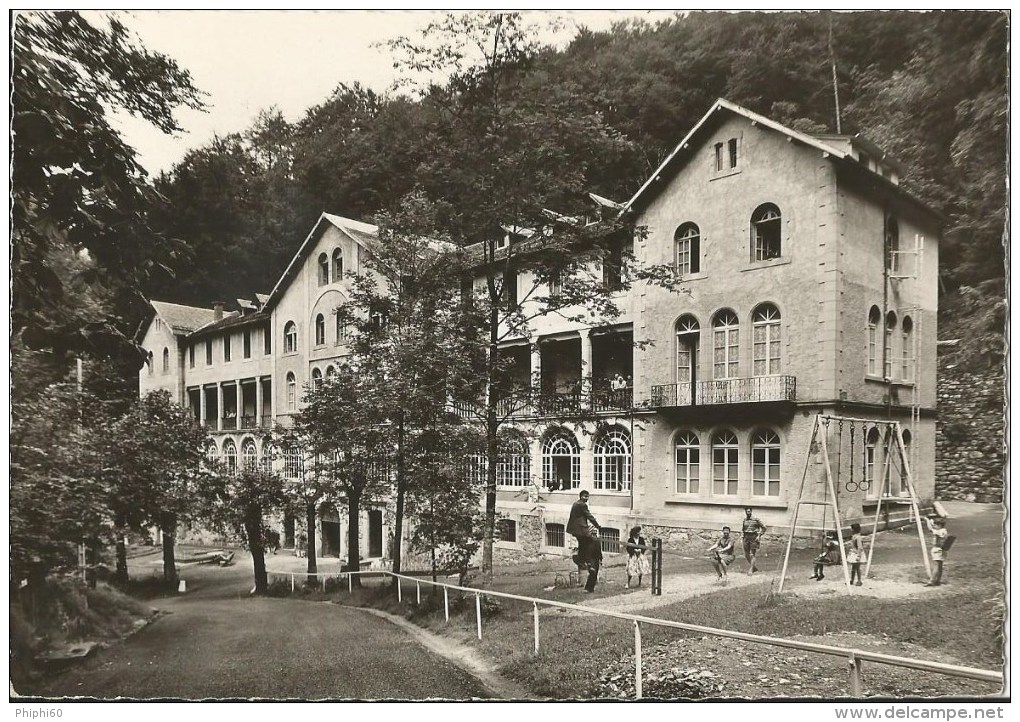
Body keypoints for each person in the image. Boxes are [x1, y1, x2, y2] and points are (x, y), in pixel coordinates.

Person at [567, 490, 602, 592]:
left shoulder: (575, 504)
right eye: (585, 496)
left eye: (588, 497)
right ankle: (583, 560)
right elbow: (589, 516)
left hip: (575, 530)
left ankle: (582, 560)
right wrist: (597, 525)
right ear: (581, 496)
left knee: (583, 545)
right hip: (581, 529)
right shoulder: (582, 505)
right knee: (588, 543)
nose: (586, 498)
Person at [924, 515, 951, 587]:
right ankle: (938, 580)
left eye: (935, 525)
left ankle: (932, 581)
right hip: (942, 550)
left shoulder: (940, 531)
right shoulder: (944, 531)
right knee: (940, 565)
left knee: (936, 565)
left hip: (938, 549)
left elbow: (930, 529)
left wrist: (927, 521)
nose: (934, 526)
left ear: (939, 525)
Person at [740, 507, 767, 574]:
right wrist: (742, 537)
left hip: (754, 537)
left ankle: (751, 569)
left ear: (751, 512)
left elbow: (764, 527)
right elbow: (743, 529)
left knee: (752, 554)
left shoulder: (756, 519)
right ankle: (754, 567)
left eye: (749, 511)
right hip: (746, 537)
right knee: (746, 554)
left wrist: (759, 536)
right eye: (746, 511)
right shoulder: (744, 520)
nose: (748, 513)